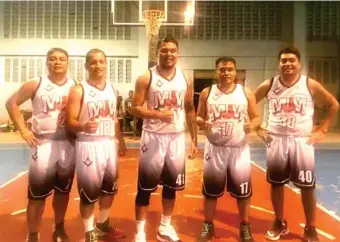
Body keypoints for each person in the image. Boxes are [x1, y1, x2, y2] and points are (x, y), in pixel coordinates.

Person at [254, 47, 339, 242]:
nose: (288, 64)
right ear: (279, 64)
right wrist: (258, 128)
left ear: (299, 64)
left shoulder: (309, 84)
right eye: (284, 61)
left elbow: (334, 105)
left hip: (302, 141)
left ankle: (310, 227)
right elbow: (249, 101)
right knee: (276, 185)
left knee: (307, 187)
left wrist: (323, 130)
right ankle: (279, 221)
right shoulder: (270, 84)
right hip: (276, 140)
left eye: (292, 60)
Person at [131, 35, 198, 242]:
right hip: (153, 138)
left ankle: (165, 227)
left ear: (177, 53)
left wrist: (194, 139)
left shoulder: (184, 78)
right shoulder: (146, 77)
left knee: (171, 185)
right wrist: (157, 114)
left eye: (172, 50)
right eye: (164, 50)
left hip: (176, 139)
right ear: (157, 52)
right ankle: (140, 233)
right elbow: (134, 108)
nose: (168, 54)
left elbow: (189, 109)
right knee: (145, 188)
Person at [6, 48, 75, 242]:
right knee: (37, 195)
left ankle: (59, 228)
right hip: (44, 143)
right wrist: (24, 130)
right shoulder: (37, 83)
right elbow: (11, 103)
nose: (57, 62)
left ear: (68, 63)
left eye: (61, 59)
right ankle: (33, 234)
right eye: (53, 59)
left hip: (68, 144)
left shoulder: (75, 86)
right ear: (47, 63)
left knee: (63, 191)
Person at [196, 57, 260, 242]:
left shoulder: (245, 93)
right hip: (215, 148)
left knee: (243, 193)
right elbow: (199, 117)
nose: (226, 73)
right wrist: (202, 122)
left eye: (230, 69)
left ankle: (245, 226)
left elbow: (256, 117)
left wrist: (252, 126)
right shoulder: (207, 93)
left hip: (239, 149)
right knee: (210, 192)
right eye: (222, 69)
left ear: (235, 72)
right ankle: (208, 225)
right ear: (216, 72)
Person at [66, 49, 127, 242]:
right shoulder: (79, 89)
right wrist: (83, 126)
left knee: (110, 188)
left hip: (109, 143)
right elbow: (70, 122)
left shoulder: (112, 88)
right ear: (86, 66)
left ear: (106, 64)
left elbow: (114, 118)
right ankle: (89, 230)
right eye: (93, 62)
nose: (98, 65)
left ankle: (103, 222)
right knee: (89, 192)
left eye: (101, 62)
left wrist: (121, 140)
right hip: (88, 145)